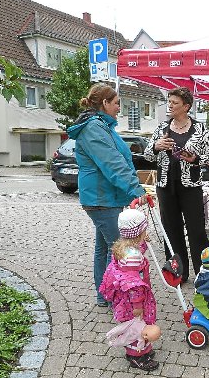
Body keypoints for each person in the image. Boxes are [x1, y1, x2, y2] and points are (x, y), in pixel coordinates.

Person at [67, 83, 146, 307]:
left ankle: (105, 295)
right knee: (119, 249)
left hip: (106, 197)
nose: (119, 107)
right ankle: (118, 298)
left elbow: (120, 158)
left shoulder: (103, 126)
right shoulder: (94, 128)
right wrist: (135, 188)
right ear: (105, 103)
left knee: (105, 248)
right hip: (101, 198)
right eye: (116, 103)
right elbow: (112, 163)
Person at [144, 87, 209, 283]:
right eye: (169, 102)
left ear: (186, 106)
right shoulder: (161, 128)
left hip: (191, 187)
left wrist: (194, 158)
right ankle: (178, 273)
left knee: (197, 232)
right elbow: (147, 155)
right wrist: (156, 147)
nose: (170, 106)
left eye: (175, 103)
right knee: (172, 231)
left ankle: (204, 274)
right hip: (166, 186)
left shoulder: (200, 129)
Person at [99, 209, 159, 371]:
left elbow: (139, 249)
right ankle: (136, 356)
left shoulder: (125, 247)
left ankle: (142, 350)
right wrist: (138, 304)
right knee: (135, 327)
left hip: (125, 299)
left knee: (138, 324)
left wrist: (143, 242)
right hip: (132, 301)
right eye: (144, 229)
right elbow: (133, 286)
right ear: (138, 232)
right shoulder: (132, 258)